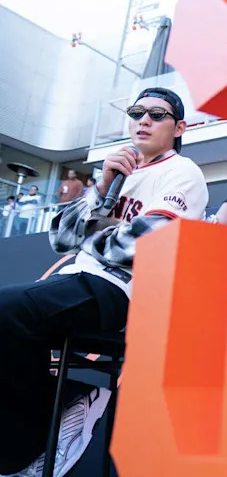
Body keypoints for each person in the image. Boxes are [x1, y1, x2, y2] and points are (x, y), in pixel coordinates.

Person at [0, 87, 207, 476]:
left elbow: (149, 240)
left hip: (124, 292)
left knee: (6, 309)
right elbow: (60, 237)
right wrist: (100, 188)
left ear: (178, 127)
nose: (144, 120)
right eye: (137, 112)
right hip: (80, 278)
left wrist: (92, 236)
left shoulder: (183, 172)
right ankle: (55, 416)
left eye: (157, 115)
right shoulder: (118, 174)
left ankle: (40, 434)